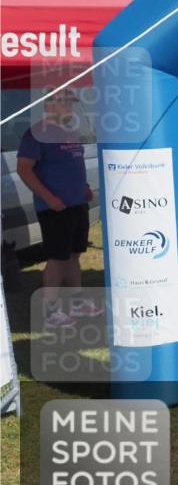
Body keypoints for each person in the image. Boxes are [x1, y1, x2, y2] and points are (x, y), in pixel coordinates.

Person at [16, 89, 101, 328]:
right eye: (65, 102)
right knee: (56, 257)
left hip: (77, 204)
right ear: (49, 105)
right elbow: (24, 169)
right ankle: (51, 313)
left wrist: (83, 186)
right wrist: (49, 197)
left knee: (73, 255)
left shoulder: (70, 132)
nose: (70, 107)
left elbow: (71, 165)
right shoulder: (36, 134)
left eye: (71, 103)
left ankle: (77, 303)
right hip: (55, 209)